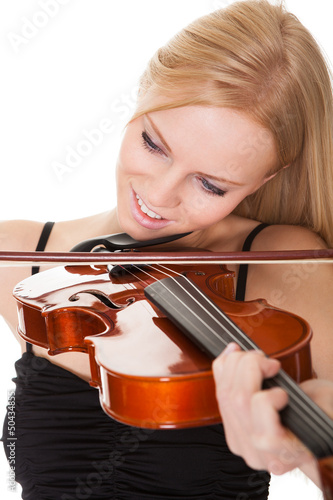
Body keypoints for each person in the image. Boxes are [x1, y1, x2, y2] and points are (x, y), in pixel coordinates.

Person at [1, 0, 333, 498]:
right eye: (154, 144)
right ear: (141, 98)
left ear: (264, 179)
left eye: (210, 185)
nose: (157, 197)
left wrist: (306, 447)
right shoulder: (23, 257)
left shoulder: (283, 262)